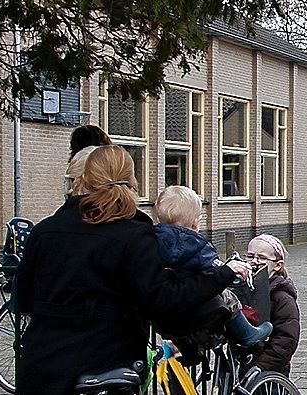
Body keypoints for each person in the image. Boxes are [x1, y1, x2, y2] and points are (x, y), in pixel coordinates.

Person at [14, 145, 245, 395]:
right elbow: (161, 299)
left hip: (43, 365)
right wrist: (221, 276)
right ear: (132, 182)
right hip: (105, 365)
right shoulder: (136, 236)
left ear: (84, 180)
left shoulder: (44, 231)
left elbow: (23, 299)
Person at [153, 185, 273, 346]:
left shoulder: (149, 242)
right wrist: (230, 270)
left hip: (164, 314)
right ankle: (247, 333)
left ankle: (188, 351)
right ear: (196, 223)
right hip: (197, 310)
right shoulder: (198, 246)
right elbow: (214, 270)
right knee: (227, 297)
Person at [246, 234, 301, 375]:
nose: (255, 262)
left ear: (277, 265)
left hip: (269, 369)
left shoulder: (282, 298)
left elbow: (286, 339)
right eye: (250, 256)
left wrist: (261, 366)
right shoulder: (243, 290)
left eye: (262, 258)